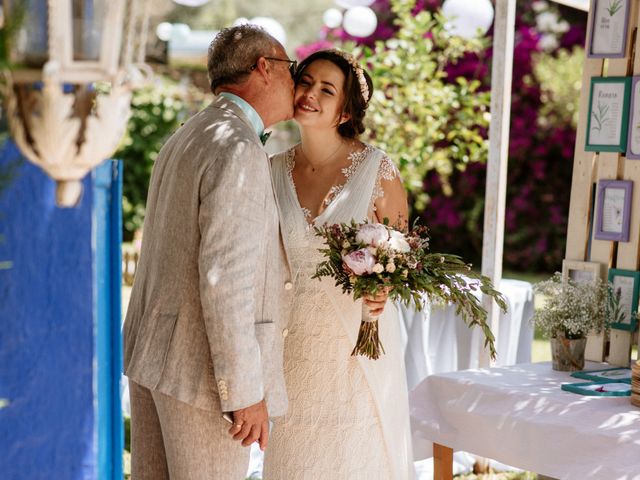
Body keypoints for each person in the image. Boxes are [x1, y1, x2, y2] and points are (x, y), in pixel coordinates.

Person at [122, 25, 296, 480]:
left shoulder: (189, 133)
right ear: (265, 67)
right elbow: (226, 280)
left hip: (154, 357)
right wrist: (243, 391)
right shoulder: (236, 146)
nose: (295, 83)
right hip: (200, 376)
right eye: (291, 69)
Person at [263, 49, 415, 479]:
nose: (309, 94)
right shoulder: (272, 169)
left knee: (356, 455)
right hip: (293, 347)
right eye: (305, 81)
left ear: (345, 110)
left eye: (326, 90)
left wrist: (386, 284)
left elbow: (401, 251)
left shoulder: (377, 168)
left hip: (357, 344)